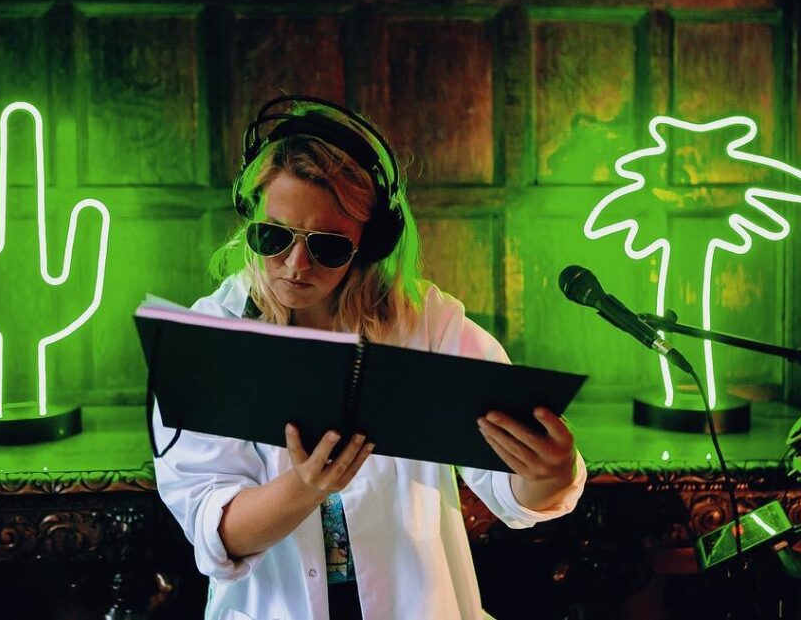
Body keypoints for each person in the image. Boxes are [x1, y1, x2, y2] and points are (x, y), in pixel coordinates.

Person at [151, 95, 587, 619]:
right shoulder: (210, 339)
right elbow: (216, 533)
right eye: (273, 236)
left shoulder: (429, 323)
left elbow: (511, 490)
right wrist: (307, 485)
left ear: (372, 242)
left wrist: (551, 471)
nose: (295, 265)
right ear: (250, 222)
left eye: (329, 246)